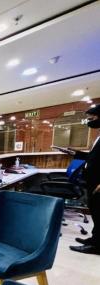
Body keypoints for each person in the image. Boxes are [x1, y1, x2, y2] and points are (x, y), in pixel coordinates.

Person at [54, 105, 100, 254]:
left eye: (92, 118)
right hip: (92, 181)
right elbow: (94, 158)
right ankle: (94, 239)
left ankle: (96, 247)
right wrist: (75, 153)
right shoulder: (99, 136)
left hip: (98, 184)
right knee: (96, 213)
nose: (89, 121)